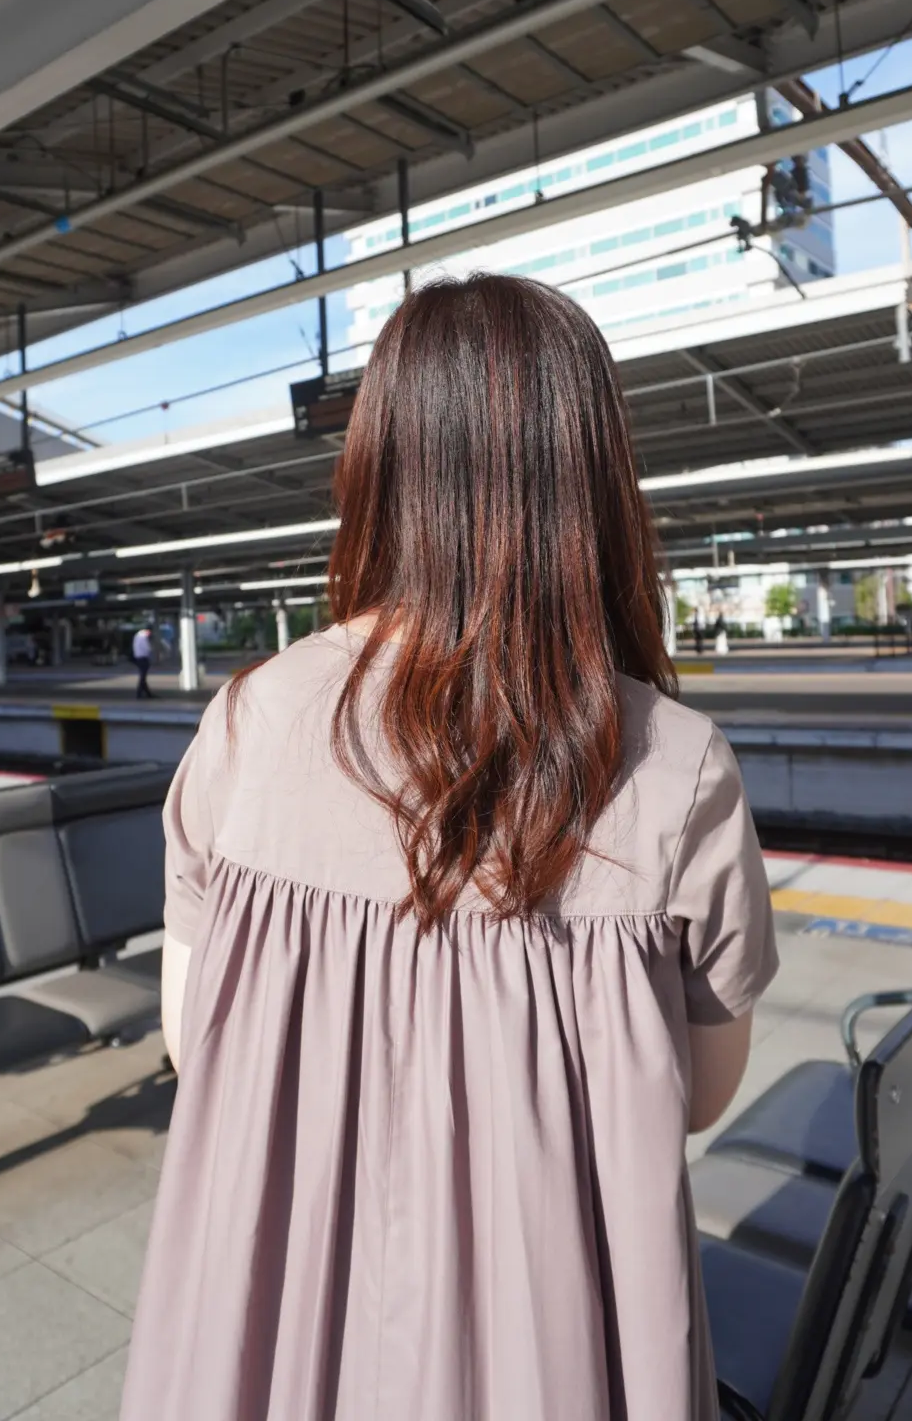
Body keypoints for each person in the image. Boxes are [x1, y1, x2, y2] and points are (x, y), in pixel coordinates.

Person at [122, 276, 778, 1421]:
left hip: (276, 1333)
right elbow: (697, 1093)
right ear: (591, 476)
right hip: (546, 1348)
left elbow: (196, 1037)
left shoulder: (245, 720)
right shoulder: (678, 763)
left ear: (379, 466)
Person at [132, 626, 154, 699]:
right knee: (143, 676)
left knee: (143, 676)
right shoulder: (144, 637)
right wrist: (150, 653)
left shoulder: (137, 636)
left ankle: (148, 693)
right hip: (143, 657)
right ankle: (139, 693)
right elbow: (147, 648)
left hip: (138, 657)